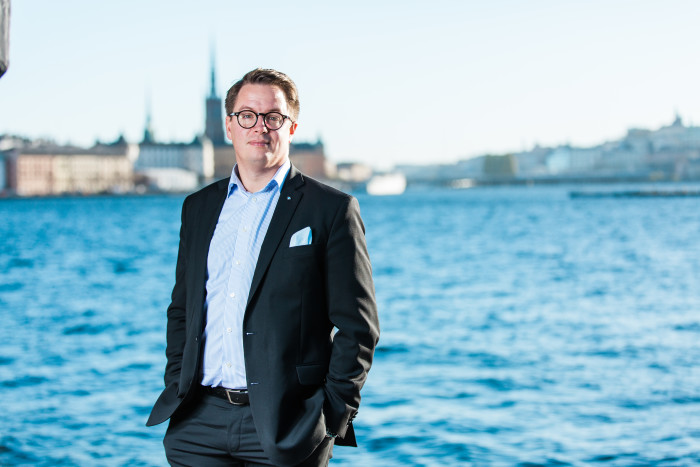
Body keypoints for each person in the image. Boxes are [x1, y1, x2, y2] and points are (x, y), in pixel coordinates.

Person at [147, 68, 380, 467]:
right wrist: (177, 383)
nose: (260, 126)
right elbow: (182, 310)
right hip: (197, 425)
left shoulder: (331, 209)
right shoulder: (198, 207)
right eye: (247, 115)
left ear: (291, 127)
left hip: (287, 427)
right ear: (229, 125)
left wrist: (331, 417)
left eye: (273, 116)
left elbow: (358, 326)